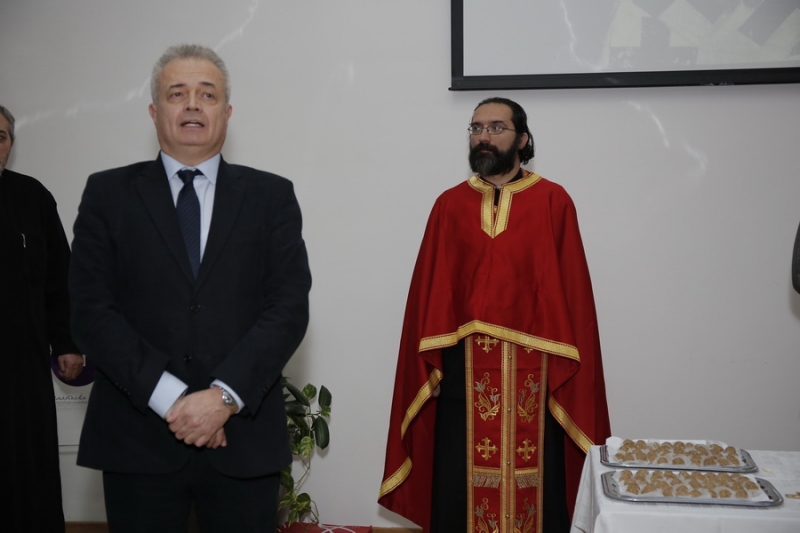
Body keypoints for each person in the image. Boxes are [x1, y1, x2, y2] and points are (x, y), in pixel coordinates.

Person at [69, 44, 311, 532]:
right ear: (155, 111)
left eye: (208, 94)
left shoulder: (271, 196)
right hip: (137, 442)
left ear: (227, 112)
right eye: (177, 93)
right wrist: (173, 400)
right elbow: (91, 309)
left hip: (243, 441)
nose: (193, 104)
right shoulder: (107, 194)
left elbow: (287, 307)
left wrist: (222, 398)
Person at [379, 97, 611, 533]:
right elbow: (431, 295)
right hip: (463, 377)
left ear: (522, 139)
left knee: (541, 486)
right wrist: (433, 359)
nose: (483, 136)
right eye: (476, 128)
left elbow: (572, 295)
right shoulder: (449, 205)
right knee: (457, 484)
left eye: (495, 127)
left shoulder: (553, 201)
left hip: (537, 379)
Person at [0, 105, 84, 532]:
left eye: (0, 136)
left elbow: (60, 278)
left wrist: (67, 342)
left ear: (11, 145)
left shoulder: (32, 197)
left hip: (21, 362)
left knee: (25, 465)